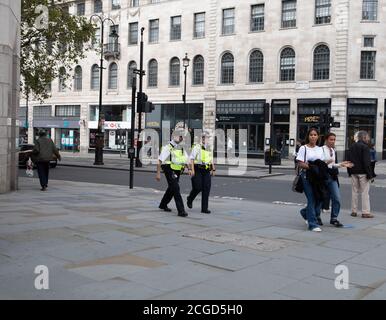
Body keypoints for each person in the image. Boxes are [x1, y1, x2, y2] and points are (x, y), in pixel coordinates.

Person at [296, 128, 328, 232]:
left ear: (318, 137)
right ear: (308, 136)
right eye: (311, 135)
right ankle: (312, 224)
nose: (313, 136)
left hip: (317, 177)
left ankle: (305, 213)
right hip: (307, 176)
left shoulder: (320, 149)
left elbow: (323, 163)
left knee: (318, 198)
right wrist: (311, 167)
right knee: (312, 199)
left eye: (315, 135)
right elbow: (300, 163)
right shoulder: (303, 148)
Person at [321, 133, 353, 227]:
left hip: (332, 176)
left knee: (337, 198)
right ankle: (316, 216)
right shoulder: (321, 149)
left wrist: (342, 165)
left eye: (334, 139)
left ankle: (334, 218)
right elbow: (320, 163)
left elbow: (333, 164)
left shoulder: (333, 150)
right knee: (320, 198)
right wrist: (326, 163)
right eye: (331, 139)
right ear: (326, 140)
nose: (333, 141)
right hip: (323, 176)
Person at [156, 130, 189, 217]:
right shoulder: (168, 147)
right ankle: (181, 211)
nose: (180, 138)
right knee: (176, 188)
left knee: (172, 188)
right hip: (168, 168)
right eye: (178, 136)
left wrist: (188, 168)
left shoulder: (181, 148)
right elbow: (159, 160)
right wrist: (158, 173)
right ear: (173, 136)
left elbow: (185, 159)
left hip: (177, 170)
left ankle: (163, 204)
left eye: (181, 136)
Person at [187, 131, 216, 214]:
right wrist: (192, 170)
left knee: (206, 188)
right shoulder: (197, 147)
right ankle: (190, 198)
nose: (205, 139)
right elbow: (192, 159)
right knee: (197, 187)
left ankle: (204, 208)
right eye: (203, 137)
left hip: (206, 170)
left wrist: (213, 169)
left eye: (206, 137)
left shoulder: (209, 148)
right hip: (197, 169)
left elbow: (211, 159)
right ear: (201, 138)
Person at [347, 131, 374, 218]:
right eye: (367, 137)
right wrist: (370, 175)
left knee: (354, 192)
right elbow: (366, 163)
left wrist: (349, 171)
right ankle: (365, 212)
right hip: (363, 172)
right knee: (365, 193)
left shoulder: (351, 146)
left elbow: (348, 160)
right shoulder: (365, 147)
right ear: (364, 137)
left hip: (353, 171)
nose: (368, 139)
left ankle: (354, 211)